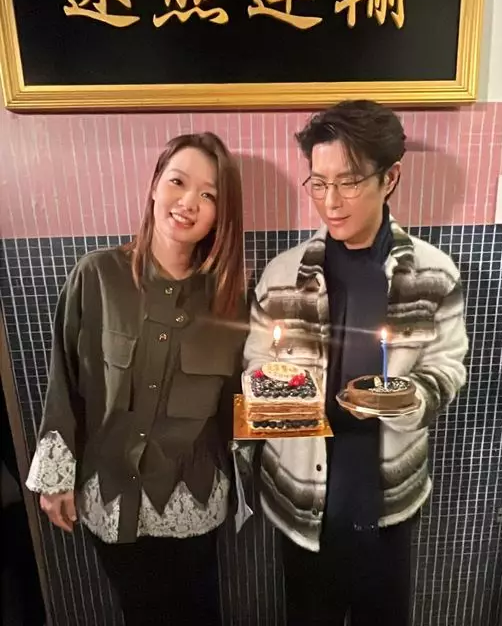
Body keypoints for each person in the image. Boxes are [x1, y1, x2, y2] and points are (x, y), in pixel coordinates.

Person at [242, 100, 468, 625]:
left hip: (387, 496)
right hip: (301, 495)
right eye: (318, 183)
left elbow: (448, 363)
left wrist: (406, 397)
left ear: (390, 178)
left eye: (347, 182)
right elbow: (255, 366)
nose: (331, 201)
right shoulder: (282, 275)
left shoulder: (433, 275)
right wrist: (276, 394)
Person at [27, 132, 246, 626]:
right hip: (109, 494)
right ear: (154, 185)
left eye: (209, 195)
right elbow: (64, 382)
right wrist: (56, 479)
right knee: (140, 613)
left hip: (193, 498)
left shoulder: (230, 300)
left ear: (220, 214)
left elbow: (240, 404)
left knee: (200, 615)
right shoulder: (96, 277)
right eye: (178, 182)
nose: (189, 203)